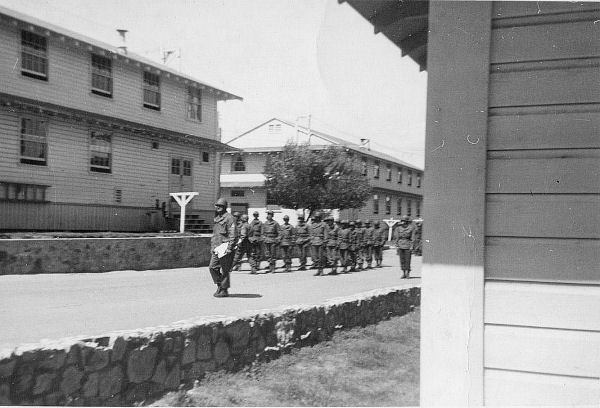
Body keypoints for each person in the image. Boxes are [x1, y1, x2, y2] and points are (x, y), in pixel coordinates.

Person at [209, 198, 237, 298]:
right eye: (216, 206)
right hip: (217, 248)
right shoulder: (217, 218)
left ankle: (224, 290)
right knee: (212, 267)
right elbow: (215, 235)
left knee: (225, 270)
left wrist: (230, 247)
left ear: (225, 207)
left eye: (220, 206)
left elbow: (233, 234)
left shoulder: (230, 218)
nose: (218, 207)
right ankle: (220, 285)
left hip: (225, 247)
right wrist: (213, 246)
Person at [308, 212, 326, 276]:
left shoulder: (323, 224)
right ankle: (318, 270)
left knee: (321, 257)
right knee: (315, 257)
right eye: (316, 217)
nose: (317, 218)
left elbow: (325, 234)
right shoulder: (313, 225)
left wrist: (325, 241)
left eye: (318, 217)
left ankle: (321, 270)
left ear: (320, 217)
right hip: (314, 242)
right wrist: (311, 240)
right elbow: (311, 234)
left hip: (320, 241)